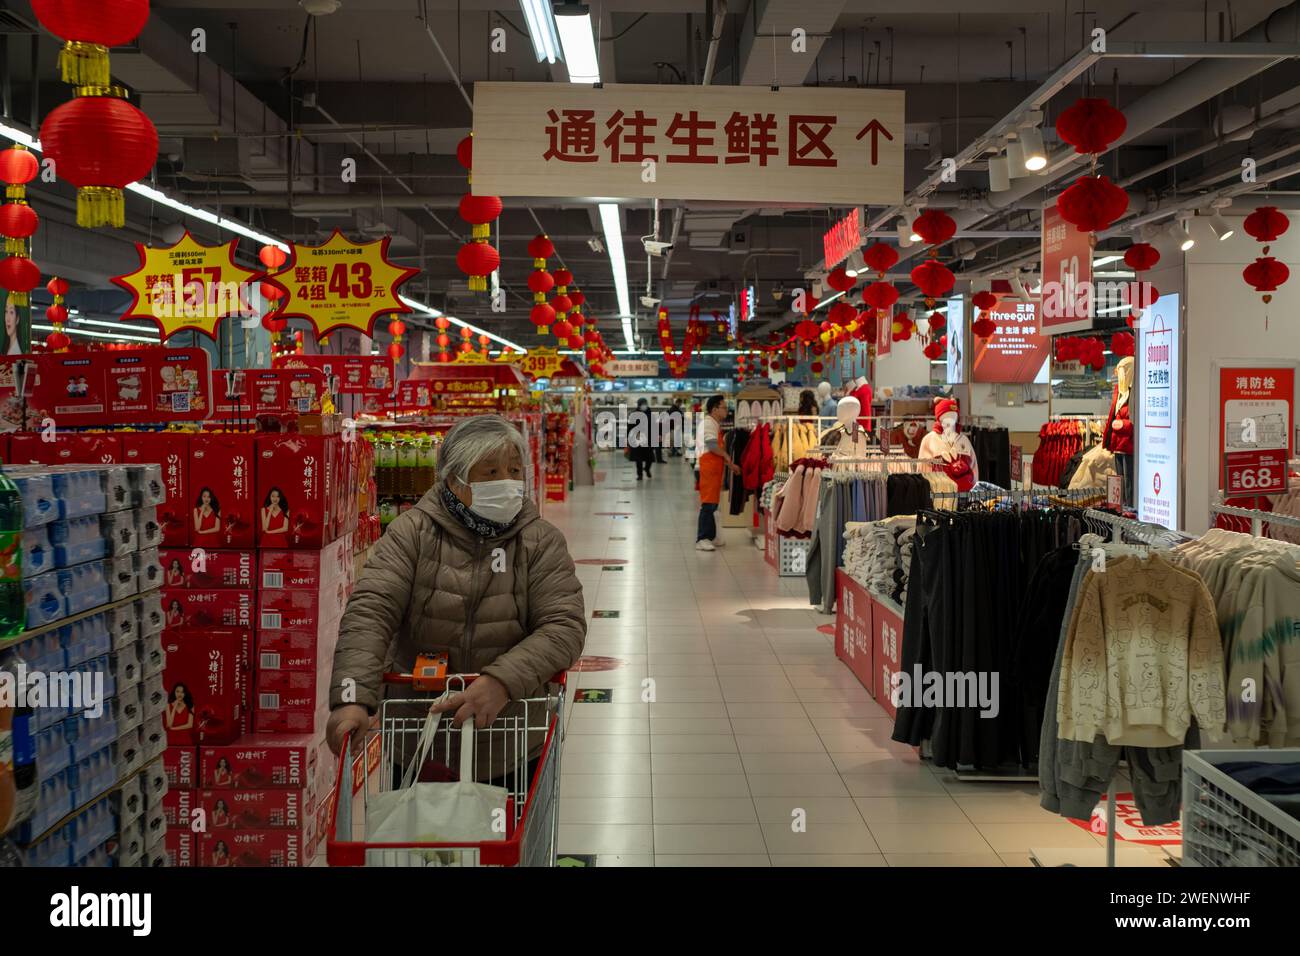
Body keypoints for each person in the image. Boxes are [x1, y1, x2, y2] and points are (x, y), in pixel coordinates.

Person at [327, 414, 586, 778]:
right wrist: (352, 697)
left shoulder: (539, 541)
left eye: (514, 471)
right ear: (453, 479)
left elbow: (563, 625)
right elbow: (372, 611)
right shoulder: (412, 533)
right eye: (491, 473)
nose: (508, 483)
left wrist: (501, 681)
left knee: (505, 834)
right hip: (420, 742)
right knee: (422, 836)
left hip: (510, 741)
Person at [695, 395, 739, 552]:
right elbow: (712, 445)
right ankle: (702, 538)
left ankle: (711, 536)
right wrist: (727, 457)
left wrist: (729, 463)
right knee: (708, 505)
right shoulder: (708, 423)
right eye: (724, 407)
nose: (726, 410)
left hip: (713, 469)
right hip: (708, 469)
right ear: (714, 409)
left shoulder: (714, 423)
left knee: (712, 504)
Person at [627, 397, 656, 480]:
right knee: (638, 459)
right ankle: (639, 474)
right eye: (642, 404)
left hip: (649, 439)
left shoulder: (650, 414)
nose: (644, 406)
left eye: (645, 404)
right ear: (639, 405)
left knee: (650, 458)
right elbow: (630, 427)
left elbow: (654, 427)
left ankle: (647, 469)